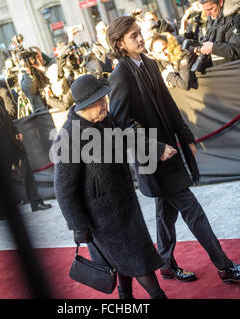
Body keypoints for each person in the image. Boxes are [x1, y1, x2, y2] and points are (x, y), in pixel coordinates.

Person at [107, 15, 240, 284]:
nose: (141, 38)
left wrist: (186, 137)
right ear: (119, 43)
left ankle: (165, 263)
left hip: (170, 153)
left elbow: (169, 106)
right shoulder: (119, 76)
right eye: (133, 36)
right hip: (153, 159)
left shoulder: (150, 64)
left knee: (166, 213)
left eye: (140, 32)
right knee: (193, 211)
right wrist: (155, 149)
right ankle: (224, 267)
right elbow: (121, 124)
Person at [54, 74, 167, 299]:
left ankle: (125, 297)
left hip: (124, 205)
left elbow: (127, 138)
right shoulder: (69, 137)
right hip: (101, 217)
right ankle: (158, 296)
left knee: (123, 259)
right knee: (137, 260)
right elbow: (64, 189)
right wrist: (78, 226)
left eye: (104, 99)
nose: (105, 104)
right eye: (98, 102)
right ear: (84, 106)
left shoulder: (105, 119)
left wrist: (156, 148)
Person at [0, 72, 52, 215]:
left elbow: (7, 121)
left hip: (13, 143)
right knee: (2, 181)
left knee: (27, 172)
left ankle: (36, 203)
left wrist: (16, 131)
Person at [198, 0, 240, 66]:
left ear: (220, 2)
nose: (208, 14)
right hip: (219, 71)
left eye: (210, 9)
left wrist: (213, 48)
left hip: (238, 70)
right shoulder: (211, 19)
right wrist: (200, 48)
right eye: (205, 10)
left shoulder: (236, 16)